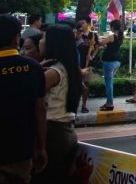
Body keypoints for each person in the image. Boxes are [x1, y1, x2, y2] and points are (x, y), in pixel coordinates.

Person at [0, 15, 46, 184]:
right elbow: (40, 109)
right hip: (21, 150)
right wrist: (41, 147)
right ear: (17, 38)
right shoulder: (33, 68)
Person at [35, 23, 81, 183]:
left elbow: (29, 93)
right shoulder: (68, 68)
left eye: (44, 37)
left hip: (53, 134)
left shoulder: (53, 73)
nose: (40, 41)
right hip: (65, 131)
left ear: (53, 43)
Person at [99, 19, 124, 111]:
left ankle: (110, 103)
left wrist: (98, 39)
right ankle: (108, 102)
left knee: (108, 83)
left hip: (109, 61)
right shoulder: (120, 36)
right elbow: (112, 46)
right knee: (109, 82)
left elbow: (100, 43)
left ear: (113, 27)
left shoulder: (112, 36)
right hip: (117, 61)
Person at [75, 18, 97, 113]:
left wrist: (92, 56)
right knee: (76, 84)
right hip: (76, 63)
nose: (81, 24)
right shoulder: (76, 34)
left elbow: (97, 47)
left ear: (88, 24)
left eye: (83, 22)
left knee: (86, 84)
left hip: (87, 63)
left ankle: (84, 105)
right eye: (80, 22)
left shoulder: (93, 35)